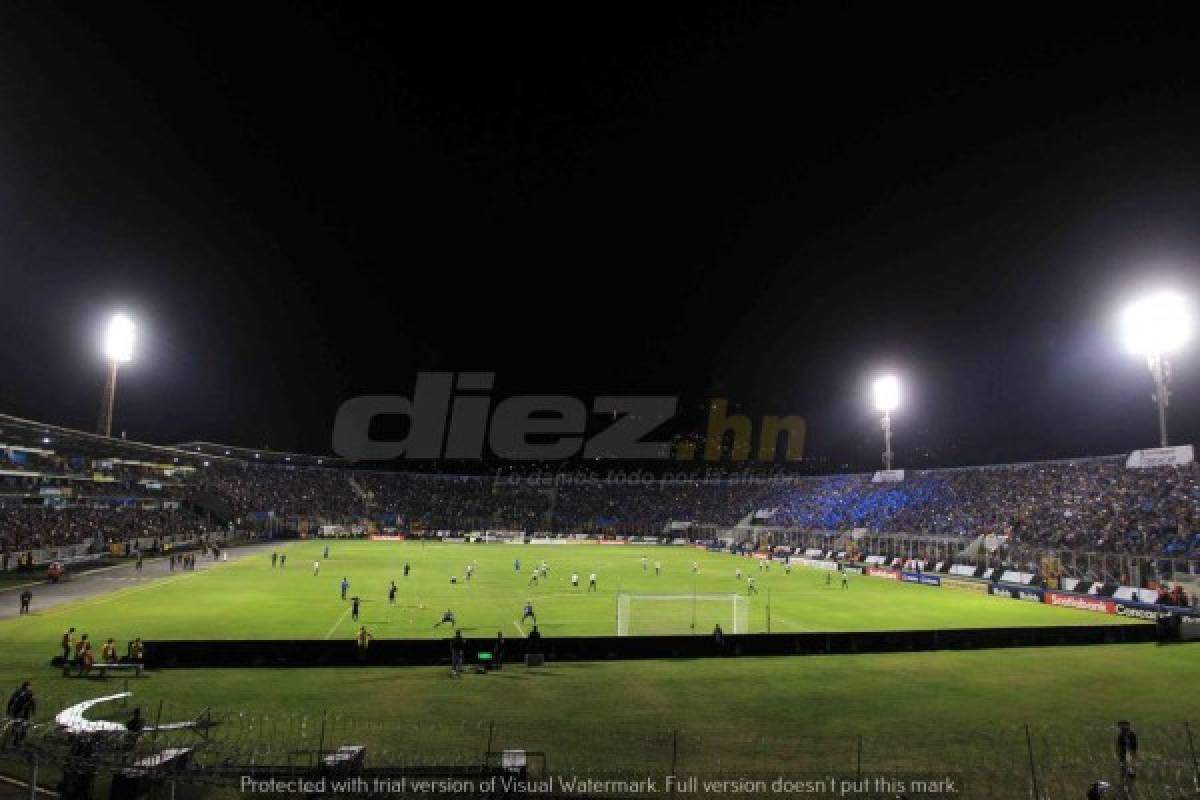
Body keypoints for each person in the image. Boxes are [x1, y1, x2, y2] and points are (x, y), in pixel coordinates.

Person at [6, 681, 35, 746]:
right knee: (17, 725)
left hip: (25, 713)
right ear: (26, 686)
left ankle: (21, 740)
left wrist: (33, 711)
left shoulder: (30, 694)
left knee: (24, 726)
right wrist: (8, 710)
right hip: (17, 712)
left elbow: (32, 703)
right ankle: (15, 740)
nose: (31, 687)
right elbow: (11, 701)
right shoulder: (18, 693)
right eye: (29, 686)